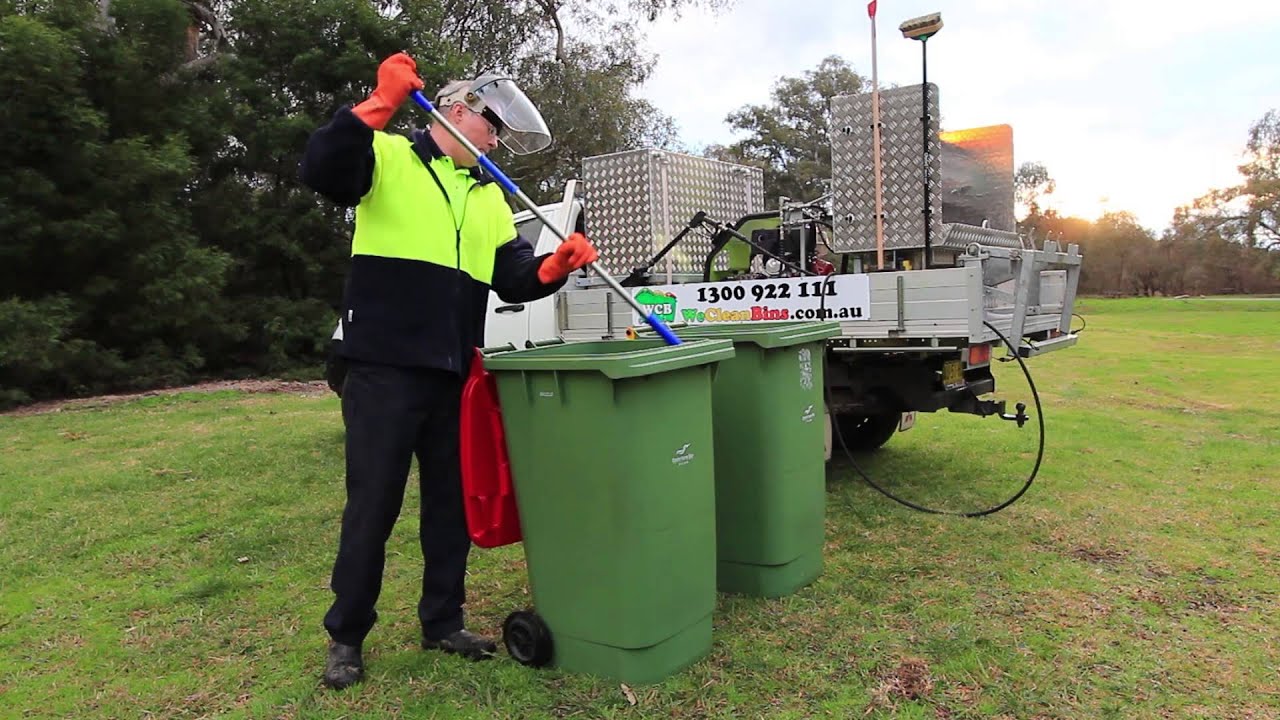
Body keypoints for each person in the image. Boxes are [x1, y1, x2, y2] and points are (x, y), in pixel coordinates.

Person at [298, 52, 599, 690]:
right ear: (456, 112)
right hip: (382, 369)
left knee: (449, 509)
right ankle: (346, 636)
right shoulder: (387, 158)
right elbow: (322, 169)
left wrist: (553, 267)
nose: (497, 140)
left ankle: (443, 621)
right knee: (372, 506)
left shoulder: (488, 196)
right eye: (492, 124)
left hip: (453, 372)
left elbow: (511, 275)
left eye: (501, 132)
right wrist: (377, 104)